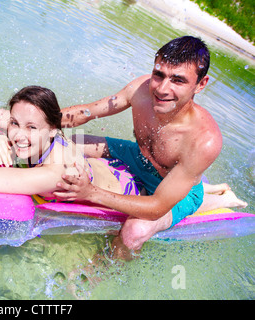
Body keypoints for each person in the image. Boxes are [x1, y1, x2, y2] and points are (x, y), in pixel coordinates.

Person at [53, 36, 247, 261]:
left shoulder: (204, 140)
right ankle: (211, 188)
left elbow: (156, 207)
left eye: (178, 80)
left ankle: (90, 282)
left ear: (201, 85)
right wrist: (30, 124)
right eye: (159, 74)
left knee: (134, 232)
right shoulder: (140, 89)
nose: (163, 89)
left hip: (172, 189)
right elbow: (85, 113)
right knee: (68, 140)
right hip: (139, 157)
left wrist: (90, 193)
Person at [0, 86, 143, 200]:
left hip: (129, 191)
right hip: (107, 168)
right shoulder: (30, 123)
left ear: (54, 128)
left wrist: (0, 148)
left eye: (32, 128)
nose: (19, 135)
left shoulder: (56, 173)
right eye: (13, 123)